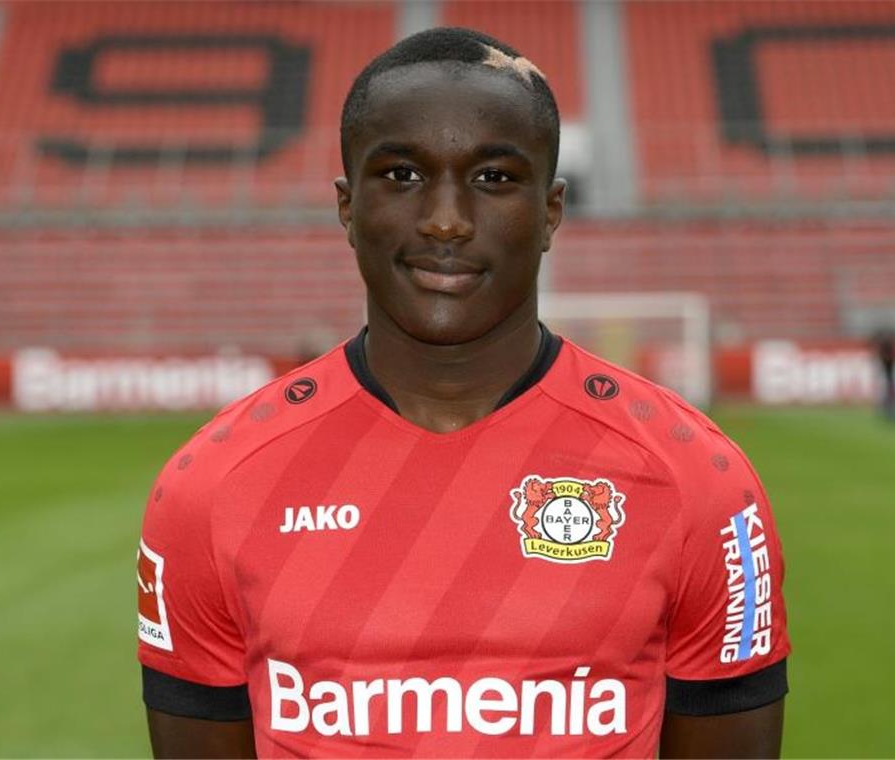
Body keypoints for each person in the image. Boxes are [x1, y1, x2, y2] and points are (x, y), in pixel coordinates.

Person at [136, 27, 790, 758]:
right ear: (348, 208)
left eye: (495, 178)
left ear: (550, 212)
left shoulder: (698, 483)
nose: (446, 220)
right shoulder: (212, 490)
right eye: (403, 176)